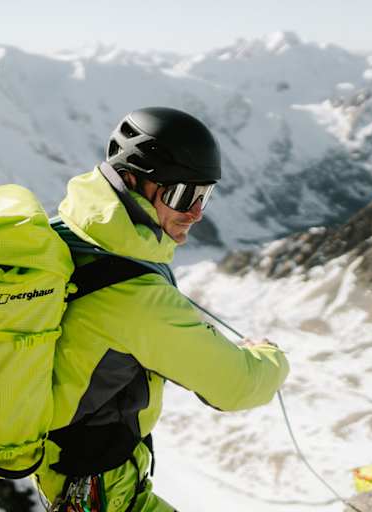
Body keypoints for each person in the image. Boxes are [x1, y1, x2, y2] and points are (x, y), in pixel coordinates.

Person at [33, 107, 290, 511]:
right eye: (184, 195)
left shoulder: (69, 233)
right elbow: (237, 385)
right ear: (132, 179)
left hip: (73, 472)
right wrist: (271, 355)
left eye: (204, 195)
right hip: (100, 486)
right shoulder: (136, 297)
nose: (196, 212)